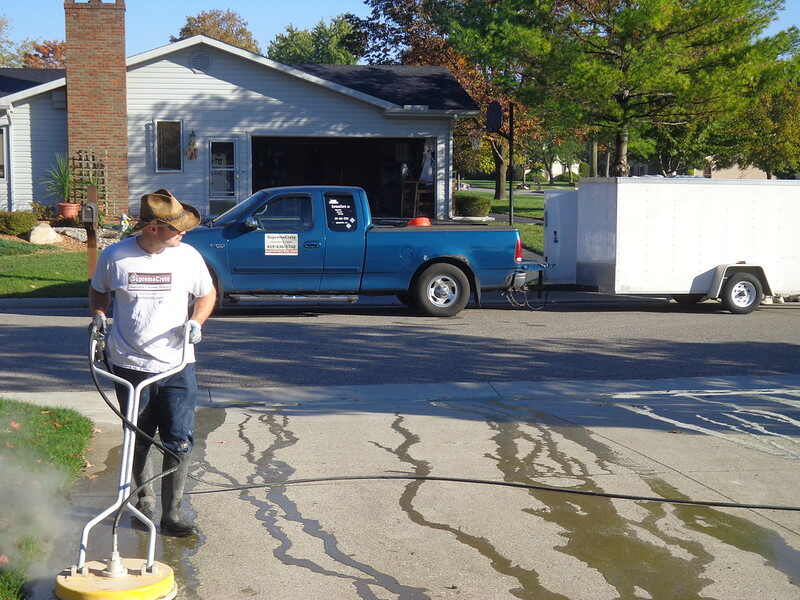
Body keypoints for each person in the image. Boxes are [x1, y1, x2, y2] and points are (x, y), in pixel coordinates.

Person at [89, 189, 216, 537]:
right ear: (154, 228)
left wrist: (196, 321)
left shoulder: (187, 257)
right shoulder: (116, 256)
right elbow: (99, 289)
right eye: (177, 228)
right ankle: (143, 498)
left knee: (179, 438)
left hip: (177, 365)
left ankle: (173, 513)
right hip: (128, 365)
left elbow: (207, 294)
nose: (184, 233)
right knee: (139, 437)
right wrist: (100, 315)